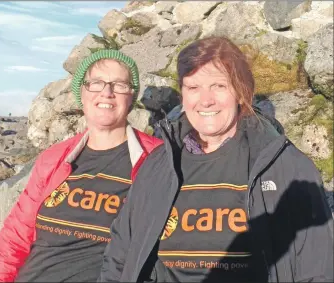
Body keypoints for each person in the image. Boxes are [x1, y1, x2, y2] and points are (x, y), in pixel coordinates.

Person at [99, 37, 334, 283]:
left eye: (219, 86)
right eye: (193, 88)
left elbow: (318, 269)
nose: (205, 99)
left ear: (241, 91)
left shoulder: (286, 167)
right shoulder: (159, 164)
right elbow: (119, 256)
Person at [0, 49, 163, 282]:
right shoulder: (54, 158)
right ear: (82, 94)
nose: (107, 92)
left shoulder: (156, 159)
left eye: (119, 85)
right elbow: (14, 239)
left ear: (131, 97)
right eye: (96, 83)